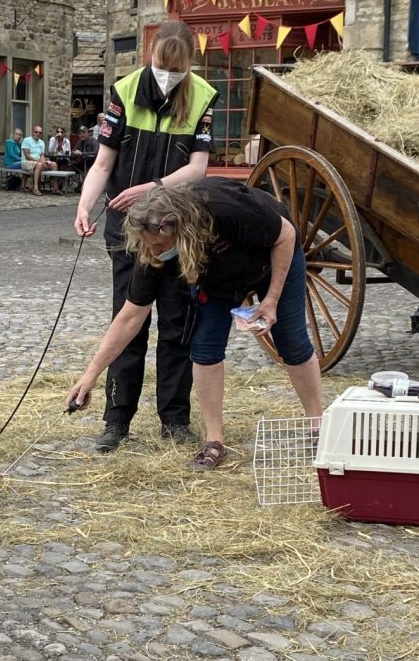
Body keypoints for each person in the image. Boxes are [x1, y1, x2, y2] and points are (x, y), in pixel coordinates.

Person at [67, 178, 323, 470]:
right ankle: (215, 442)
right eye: (148, 247)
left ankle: (318, 428)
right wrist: (89, 377)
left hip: (273, 259)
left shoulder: (224, 208)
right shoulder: (154, 252)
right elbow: (129, 317)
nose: (154, 253)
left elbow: (286, 235)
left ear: (178, 228)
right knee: (204, 348)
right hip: (216, 279)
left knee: (291, 341)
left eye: (160, 245)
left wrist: (272, 299)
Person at [74, 20, 219, 453]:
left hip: (178, 230)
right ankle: (116, 420)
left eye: (176, 69)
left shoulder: (203, 96)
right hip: (128, 229)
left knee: (177, 327)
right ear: (150, 57)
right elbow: (103, 164)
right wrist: (83, 206)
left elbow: (197, 168)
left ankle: (174, 421)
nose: (167, 75)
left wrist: (156, 186)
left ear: (189, 64)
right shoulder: (124, 91)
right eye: (161, 66)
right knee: (128, 322)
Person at [21, 125, 57, 196]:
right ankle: (35, 189)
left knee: (54, 164)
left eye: (40, 133)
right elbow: (27, 156)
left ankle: (55, 188)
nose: (38, 134)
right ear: (32, 132)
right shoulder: (27, 140)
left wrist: (44, 162)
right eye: (36, 132)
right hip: (26, 162)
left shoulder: (42, 142)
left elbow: (42, 155)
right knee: (39, 165)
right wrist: (40, 162)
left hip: (38, 162)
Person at [71, 126, 98, 191]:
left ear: (87, 133)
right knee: (67, 166)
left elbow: (96, 153)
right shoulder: (80, 142)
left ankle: (85, 185)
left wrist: (82, 153)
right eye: (80, 133)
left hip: (92, 163)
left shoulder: (93, 140)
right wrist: (75, 153)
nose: (82, 135)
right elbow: (73, 151)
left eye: (84, 133)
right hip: (82, 163)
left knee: (86, 173)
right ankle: (78, 183)